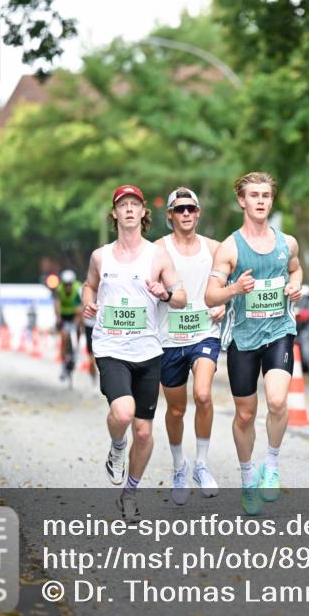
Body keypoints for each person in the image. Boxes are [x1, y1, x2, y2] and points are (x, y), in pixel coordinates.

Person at [82, 184, 188, 522]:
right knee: (124, 413)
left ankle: (129, 493)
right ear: (114, 213)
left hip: (148, 350)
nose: (129, 209)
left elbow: (181, 297)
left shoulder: (157, 256)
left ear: (143, 213)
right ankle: (117, 447)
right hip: (111, 347)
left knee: (143, 432)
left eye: (134, 204)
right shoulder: (101, 256)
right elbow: (89, 285)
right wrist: (88, 302)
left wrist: (165, 294)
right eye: (123, 204)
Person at [206, 172, 302, 516]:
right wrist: (235, 289)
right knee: (245, 414)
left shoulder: (287, 243)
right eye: (254, 195)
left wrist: (295, 285)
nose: (260, 201)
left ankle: (271, 466)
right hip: (243, 338)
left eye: (266, 195)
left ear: (271, 201)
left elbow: (296, 270)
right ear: (241, 201)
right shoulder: (230, 248)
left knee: (276, 401)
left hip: (279, 330)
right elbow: (210, 295)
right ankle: (248, 479)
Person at [155, 187, 225, 505]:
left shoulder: (214, 248)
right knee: (176, 409)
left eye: (191, 208)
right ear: (170, 215)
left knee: (203, 394)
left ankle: (201, 465)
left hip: (204, 333)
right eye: (179, 209)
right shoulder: (157, 250)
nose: (186, 213)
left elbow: (230, 283)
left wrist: (224, 304)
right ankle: (179, 467)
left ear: (198, 213)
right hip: (168, 339)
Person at [53, 269, 82, 381]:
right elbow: (57, 304)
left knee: (78, 328)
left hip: (75, 313)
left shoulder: (77, 288)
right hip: (64, 315)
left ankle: (77, 348)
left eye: (69, 284)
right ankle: (63, 367)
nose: (68, 287)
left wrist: (78, 319)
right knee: (64, 338)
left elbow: (80, 305)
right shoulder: (60, 289)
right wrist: (58, 317)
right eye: (66, 284)